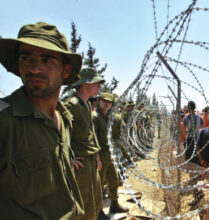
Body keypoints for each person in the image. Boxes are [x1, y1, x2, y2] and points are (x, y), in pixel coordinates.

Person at [0, 22, 84, 219]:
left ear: (65, 70)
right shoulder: (5, 121)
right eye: (26, 58)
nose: (35, 69)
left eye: (48, 60)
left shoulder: (64, 118)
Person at [64, 67, 106, 220]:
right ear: (86, 83)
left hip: (91, 162)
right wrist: (69, 159)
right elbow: (61, 135)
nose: (99, 86)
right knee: (84, 208)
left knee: (96, 203)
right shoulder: (71, 105)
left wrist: (97, 158)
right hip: (80, 164)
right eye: (97, 82)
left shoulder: (87, 105)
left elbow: (91, 135)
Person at [93, 93, 129, 214]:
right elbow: (93, 139)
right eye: (104, 101)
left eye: (109, 102)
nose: (106, 104)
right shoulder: (95, 117)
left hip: (109, 153)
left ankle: (114, 204)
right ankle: (99, 211)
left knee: (113, 180)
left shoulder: (109, 117)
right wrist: (97, 159)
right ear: (99, 101)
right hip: (100, 155)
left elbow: (114, 137)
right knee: (99, 184)